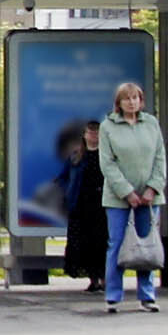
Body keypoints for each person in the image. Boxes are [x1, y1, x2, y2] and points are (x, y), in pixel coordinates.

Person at [99, 80, 166, 311]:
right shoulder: (107, 127)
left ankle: (147, 296)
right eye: (126, 98)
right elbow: (107, 164)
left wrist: (152, 188)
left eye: (135, 98)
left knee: (146, 246)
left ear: (141, 100)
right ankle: (113, 296)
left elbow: (160, 159)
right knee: (117, 244)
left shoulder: (151, 124)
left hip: (149, 198)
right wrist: (127, 192)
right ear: (119, 102)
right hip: (118, 199)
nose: (131, 102)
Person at [63, 118, 108, 293]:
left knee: (102, 242)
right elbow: (65, 177)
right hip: (81, 206)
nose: (93, 135)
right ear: (84, 134)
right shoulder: (75, 156)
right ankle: (93, 280)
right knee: (84, 243)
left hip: (102, 205)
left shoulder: (107, 155)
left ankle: (105, 279)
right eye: (90, 132)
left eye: (97, 132)